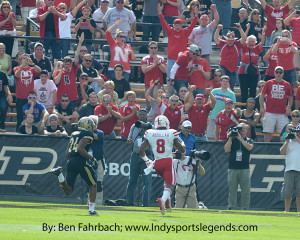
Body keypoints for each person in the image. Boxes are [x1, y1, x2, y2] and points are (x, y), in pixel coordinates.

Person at [49, 117, 99, 215]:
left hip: (71, 161)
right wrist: (92, 158)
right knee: (93, 185)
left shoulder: (74, 134)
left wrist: (71, 161)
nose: (93, 126)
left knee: (68, 190)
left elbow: (67, 153)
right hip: (81, 161)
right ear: (86, 125)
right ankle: (92, 210)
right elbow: (80, 149)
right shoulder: (87, 134)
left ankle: (60, 175)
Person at [139, 115, 186, 215]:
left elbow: (141, 150)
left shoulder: (150, 133)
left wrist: (147, 161)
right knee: (171, 184)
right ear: (166, 123)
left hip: (157, 163)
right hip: (168, 161)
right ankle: (163, 200)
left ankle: (167, 203)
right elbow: (182, 150)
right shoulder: (171, 132)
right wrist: (182, 144)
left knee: (166, 181)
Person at [157, 3, 198, 97]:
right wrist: (160, 13)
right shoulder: (170, 31)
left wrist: (196, 16)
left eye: (179, 25)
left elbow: (192, 25)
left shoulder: (185, 32)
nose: (178, 26)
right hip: (171, 59)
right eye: (176, 25)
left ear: (182, 25)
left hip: (182, 60)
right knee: (169, 78)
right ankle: (170, 95)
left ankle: (183, 97)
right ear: (174, 25)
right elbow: (163, 23)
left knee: (182, 78)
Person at [126, 109, 153, 207]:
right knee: (132, 180)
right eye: (140, 114)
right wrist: (129, 140)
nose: (142, 116)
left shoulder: (151, 127)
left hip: (147, 155)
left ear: (147, 116)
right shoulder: (134, 126)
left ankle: (145, 204)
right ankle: (129, 202)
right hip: (135, 155)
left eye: (144, 114)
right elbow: (130, 138)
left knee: (147, 182)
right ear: (138, 115)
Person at [224, 123, 254, 210]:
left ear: (246, 130)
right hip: (233, 168)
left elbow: (250, 148)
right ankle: (231, 207)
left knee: (245, 190)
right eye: (239, 128)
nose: (241, 130)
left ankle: (244, 208)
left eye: (243, 128)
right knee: (232, 190)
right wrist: (230, 138)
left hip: (244, 168)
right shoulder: (232, 140)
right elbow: (226, 150)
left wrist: (240, 139)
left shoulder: (249, 140)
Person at [259, 66, 293, 142]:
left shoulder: (287, 84)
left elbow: (290, 97)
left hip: (282, 113)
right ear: (274, 73)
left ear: (283, 74)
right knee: (267, 132)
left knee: (284, 133)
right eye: (277, 72)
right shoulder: (268, 83)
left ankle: (283, 151)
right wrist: (261, 107)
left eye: (280, 72)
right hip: (269, 112)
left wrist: (289, 107)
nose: (278, 74)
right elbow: (262, 96)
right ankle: (266, 151)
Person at [54, 33, 84, 109]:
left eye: (68, 64)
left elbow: (76, 57)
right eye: (65, 64)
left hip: (72, 98)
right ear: (63, 63)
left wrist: (80, 43)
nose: (67, 65)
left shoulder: (73, 70)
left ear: (70, 64)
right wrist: (61, 70)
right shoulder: (59, 71)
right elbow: (56, 82)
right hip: (61, 98)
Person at [14, 54, 42, 131]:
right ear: (20, 60)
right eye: (23, 58)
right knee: (20, 117)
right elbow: (16, 75)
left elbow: (40, 71)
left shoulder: (32, 69)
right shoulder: (16, 68)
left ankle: (30, 131)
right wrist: (22, 66)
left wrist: (33, 64)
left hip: (30, 97)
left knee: (30, 116)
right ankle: (18, 132)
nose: (25, 60)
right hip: (20, 96)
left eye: (27, 58)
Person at [214, 24, 246, 90]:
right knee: (223, 81)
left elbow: (244, 39)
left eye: (232, 40)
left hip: (233, 69)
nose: (230, 41)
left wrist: (240, 29)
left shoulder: (237, 44)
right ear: (226, 40)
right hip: (223, 66)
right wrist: (218, 29)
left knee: (231, 86)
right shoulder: (223, 44)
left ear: (234, 40)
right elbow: (216, 39)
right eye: (229, 40)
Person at [238, 30, 266, 103]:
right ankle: (244, 109)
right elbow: (243, 39)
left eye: (252, 41)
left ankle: (252, 108)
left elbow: (262, 43)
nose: (251, 43)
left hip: (253, 73)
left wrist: (263, 34)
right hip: (243, 72)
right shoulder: (245, 48)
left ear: (255, 42)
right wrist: (247, 29)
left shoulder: (256, 49)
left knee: (253, 91)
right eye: (249, 41)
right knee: (244, 91)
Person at [206, 76, 236, 141]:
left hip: (225, 119)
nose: (225, 83)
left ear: (228, 83)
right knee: (210, 137)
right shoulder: (214, 91)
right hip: (213, 116)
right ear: (221, 82)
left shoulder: (231, 94)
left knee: (223, 138)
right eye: (223, 81)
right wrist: (207, 116)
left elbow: (233, 107)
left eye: (226, 81)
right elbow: (208, 104)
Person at [280, 124, 300, 212]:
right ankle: (286, 210)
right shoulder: (289, 141)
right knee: (288, 192)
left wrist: (297, 139)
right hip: (289, 170)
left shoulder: (297, 140)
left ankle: (299, 211)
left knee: (299, 193)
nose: (298, 133)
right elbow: (282, 152)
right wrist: (287, 141)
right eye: (297, 132)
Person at [89, 115, 105, 205]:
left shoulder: (100, 133)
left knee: (98, 182)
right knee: (89, 182)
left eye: (94, 123)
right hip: (89, 160)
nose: (92, 124)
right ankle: (89, 202)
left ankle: (98, 203)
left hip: (99, 160)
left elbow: (95, 137)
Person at [284, 10, 300, 79]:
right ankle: (295, 84)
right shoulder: (295, 20)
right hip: (296, 47)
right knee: (296, 67)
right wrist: (292, 15)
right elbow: (285, 22)